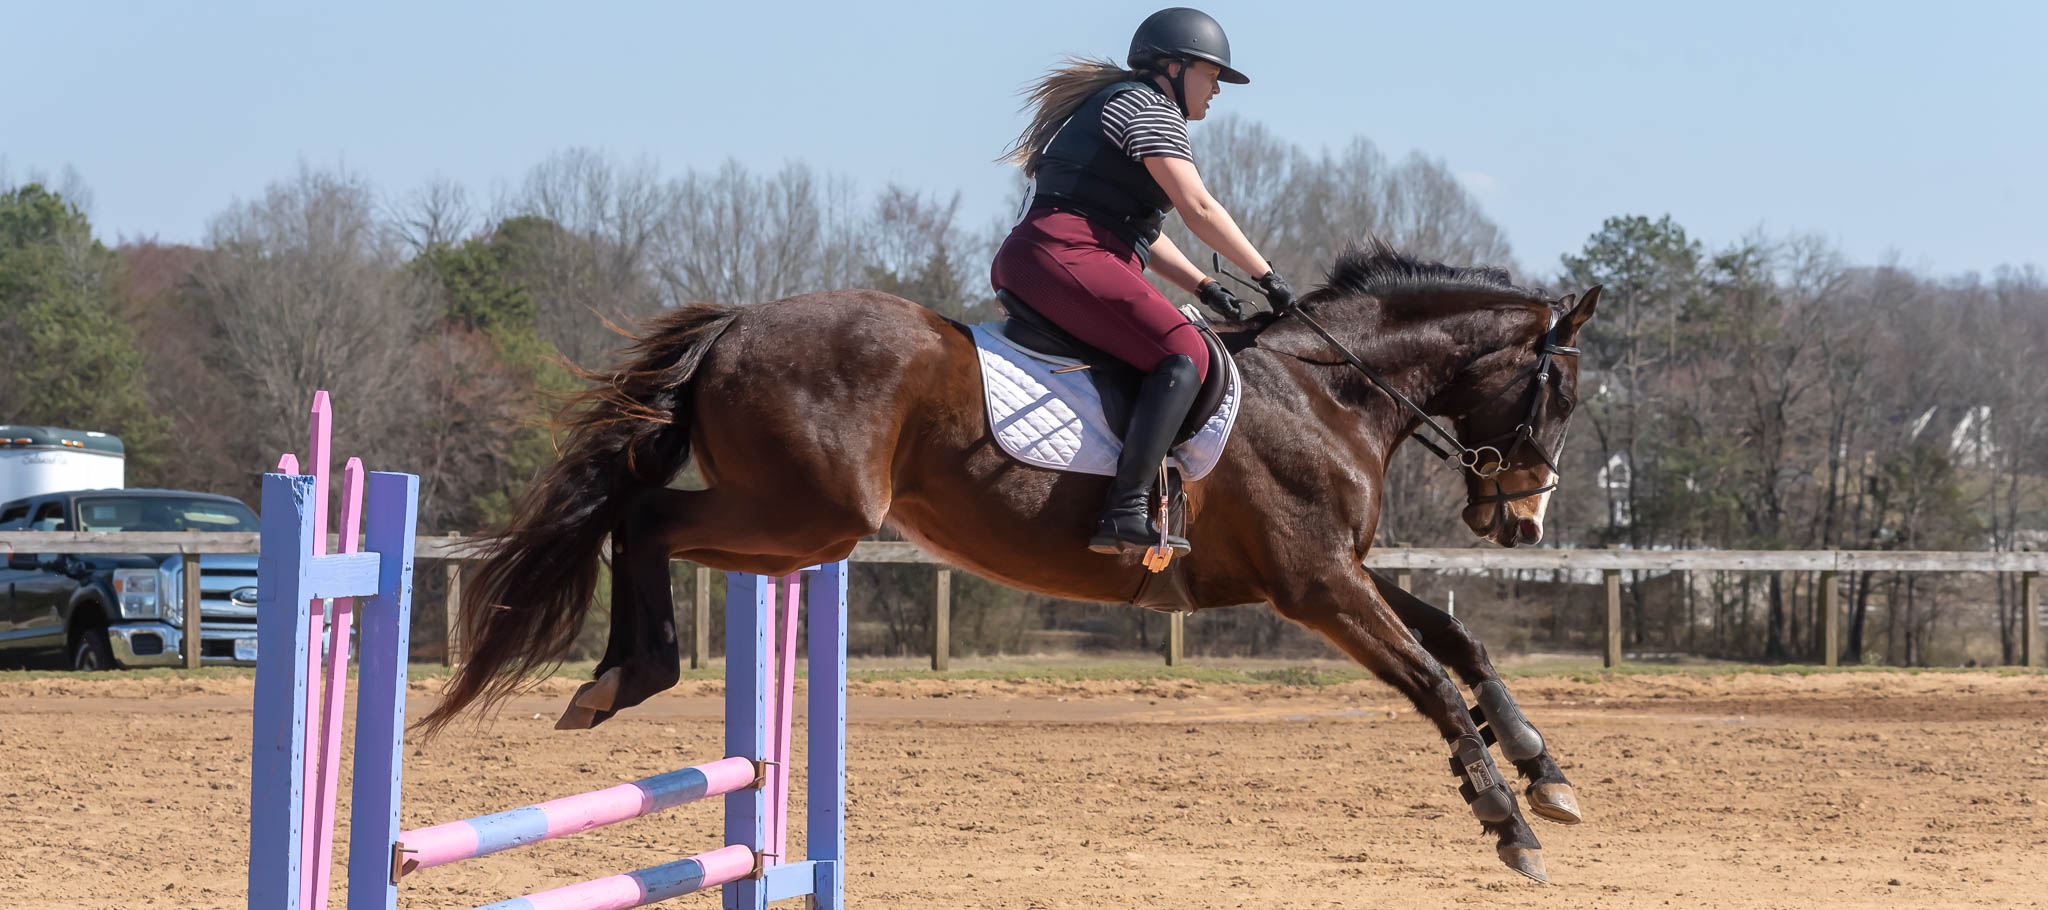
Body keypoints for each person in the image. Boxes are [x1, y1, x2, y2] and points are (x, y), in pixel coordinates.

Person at [993, 7, 1296, 557]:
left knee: (1178, 339)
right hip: (1063, 252)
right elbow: (1199, 207)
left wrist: (1206, 286)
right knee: (1184, 352)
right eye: (1213, 75)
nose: (1218, 90)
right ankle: (1125, 508)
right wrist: (1268, 275)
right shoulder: (1148, 107)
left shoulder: (1131, 106)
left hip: (1060, 253)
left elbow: (1141, 234)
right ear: (1175, 68)